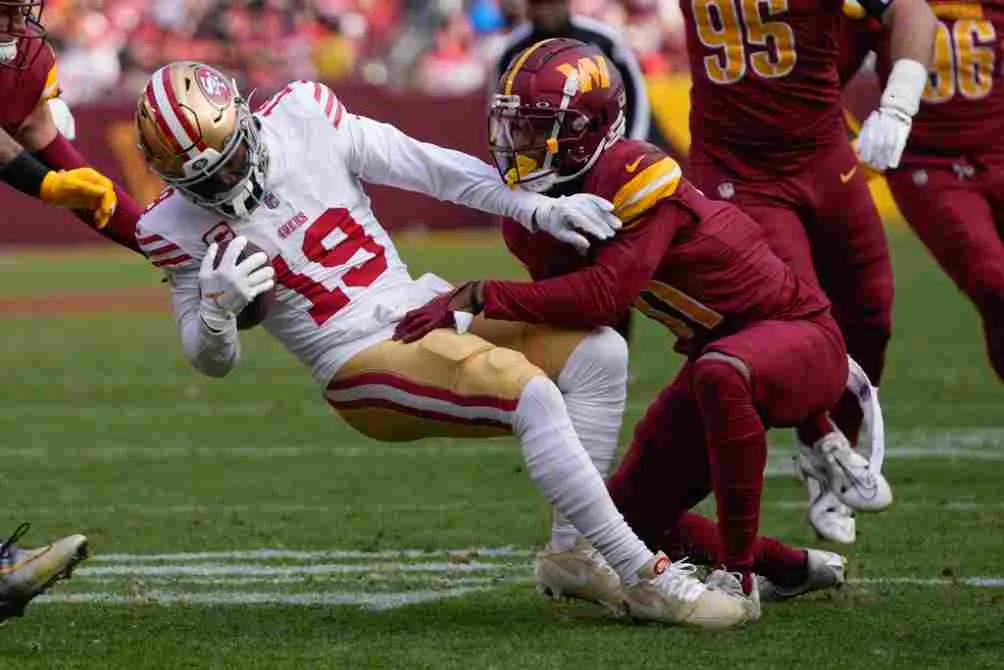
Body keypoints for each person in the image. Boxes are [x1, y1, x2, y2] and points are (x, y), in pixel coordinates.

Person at [133, 60, 755, 630]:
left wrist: (536, 209)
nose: (230, 182)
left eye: (233, 158)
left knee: (599, 354)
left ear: (244, 116)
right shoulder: (169, 227)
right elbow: (210, 361)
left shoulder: (303, 115)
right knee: (531, 396)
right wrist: (216, 311)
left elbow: (431, 167)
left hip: (414, 308)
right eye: (208, 180)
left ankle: (575, 554)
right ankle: (644, 577)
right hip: (354, 359)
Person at [396, 38, 855, 616]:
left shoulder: (634, 171)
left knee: (720, 371)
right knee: (624, 520)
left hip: (800, 336)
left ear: (590, 129)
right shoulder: (537, 215)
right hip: (721, 351)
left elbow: (602, 297)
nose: (521, 144)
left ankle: (737, 577)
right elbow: (561, 304)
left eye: (542, 129)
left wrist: (481, 295)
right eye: (515, 126)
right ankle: (790, 568)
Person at [673, 0, 936, 543]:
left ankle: (832, 458)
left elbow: (914, 13)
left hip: (822, 156)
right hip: (737, 168)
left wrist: (899, 106)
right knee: (802, 320)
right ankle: (822, 439)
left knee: (870, 313)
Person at [0, 0, 144, 623]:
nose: (14, 25)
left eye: (16, 12)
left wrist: (163, 243)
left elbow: (54, 151)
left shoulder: (28, 58)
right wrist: (43, 184)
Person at [875, 1, 1004, 383]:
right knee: (995, 284)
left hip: (998, 152)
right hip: (928, 165)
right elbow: (828, 69)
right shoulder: (879, 7)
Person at [0, 0, 142, 253]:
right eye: (4, 12)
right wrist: (45, 183)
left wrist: (161, 248)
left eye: (21, 11)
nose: (19, 26)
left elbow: (71, 169)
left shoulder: (31, 60)